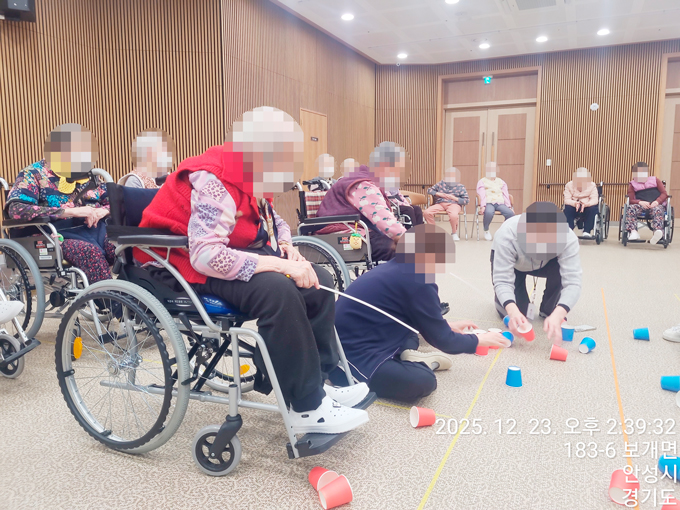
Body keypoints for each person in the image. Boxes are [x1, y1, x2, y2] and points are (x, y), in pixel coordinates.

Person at [135, 106, 369, 435]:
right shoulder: (214, 181)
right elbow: (206, 256)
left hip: (226, 256)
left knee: (318, 280)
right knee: (279, 290)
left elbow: (275, 221)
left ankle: (316, 382)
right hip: (178, 265)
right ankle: (306, 406)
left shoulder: (250, 175)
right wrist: (280, 264)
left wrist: (287, 247)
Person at [332, 224, 509, 402]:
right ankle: (409, 360)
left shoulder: (397, 266)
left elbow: (411, 317)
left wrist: (446, 326)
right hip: (347, 362)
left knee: (412, 331)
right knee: (424, 381)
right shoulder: (418, 280)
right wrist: (479, 340)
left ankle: (406, 355)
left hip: (351, 339)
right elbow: (445, 341)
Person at [5, 123, 114, 284]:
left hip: (93, 229)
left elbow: (116, 201)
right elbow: (16, 210)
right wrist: (68, 212)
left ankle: (138, 295)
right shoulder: (33, 174)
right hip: (53, 235)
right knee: (89, 252)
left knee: (123, 246)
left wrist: (103, 211)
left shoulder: (86, 174)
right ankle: (111, 298)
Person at [491, 201, 582, 342]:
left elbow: (573, 282)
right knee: (518, 315)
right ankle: (509, 304)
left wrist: (559, 312)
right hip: (515, 266)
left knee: (555, 310)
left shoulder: (568, 238)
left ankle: (549, 308)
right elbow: (502, 280)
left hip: (547, 266)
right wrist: (512, 310)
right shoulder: (506, 235)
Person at [315, 142, 408, 262]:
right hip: (341, 232)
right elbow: (382, 217)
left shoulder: (363, 177)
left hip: (353, 227)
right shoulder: (363, 184)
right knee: (394, 248)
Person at [625, 162, 668, 245]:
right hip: (641, 205)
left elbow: (664, 194)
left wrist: (657, 201)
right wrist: (639, 202)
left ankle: (657, 232)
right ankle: (633, 232)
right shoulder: (632, 184)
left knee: (658, 209)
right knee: (630, 208)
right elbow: (631, 199)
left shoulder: (655, 180)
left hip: (655, 204)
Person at [424, 166, 469, 241]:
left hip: (454, 204)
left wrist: (454, 198)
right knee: (427, 212)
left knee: (453, 216)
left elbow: (466, 200)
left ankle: (454, 233)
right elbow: (429, 190)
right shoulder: (441, 183)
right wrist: (439, 194)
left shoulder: (460, 187)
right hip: (440, 203)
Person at [476, 162, 514, 240]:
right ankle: (486, 229)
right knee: (489, 212)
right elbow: (481, 195)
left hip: (500, 202)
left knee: (510, 213)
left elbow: (505, 194)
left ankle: (502, 230)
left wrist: (509, 206)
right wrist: (483, 206)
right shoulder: (482, 181)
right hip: (488, 202)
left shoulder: (501, 182)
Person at [563, 167, 599, 238]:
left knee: (593, 209)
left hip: (587, 205)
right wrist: (575, 203)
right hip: (574, 204)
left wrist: (586, 204)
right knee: (568, 209)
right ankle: (569, 230)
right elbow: (567, 199)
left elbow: (594, 200)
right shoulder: (569, 185)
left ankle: (587, 231)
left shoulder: (592, 185)